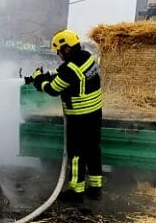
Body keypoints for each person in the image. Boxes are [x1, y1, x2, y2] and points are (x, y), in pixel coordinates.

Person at [26, 29, 103, 203]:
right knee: (93, 150)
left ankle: (76, 192)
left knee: (76, 154)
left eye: (59, 51)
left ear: (67, 48)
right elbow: (66, 73)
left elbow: (53, 89)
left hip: (80, 117)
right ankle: (95, 188)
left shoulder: (70, 69)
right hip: (94, 113)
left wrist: (39, 80)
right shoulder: (87, 57)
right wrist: (50, 74)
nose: (58, 55)